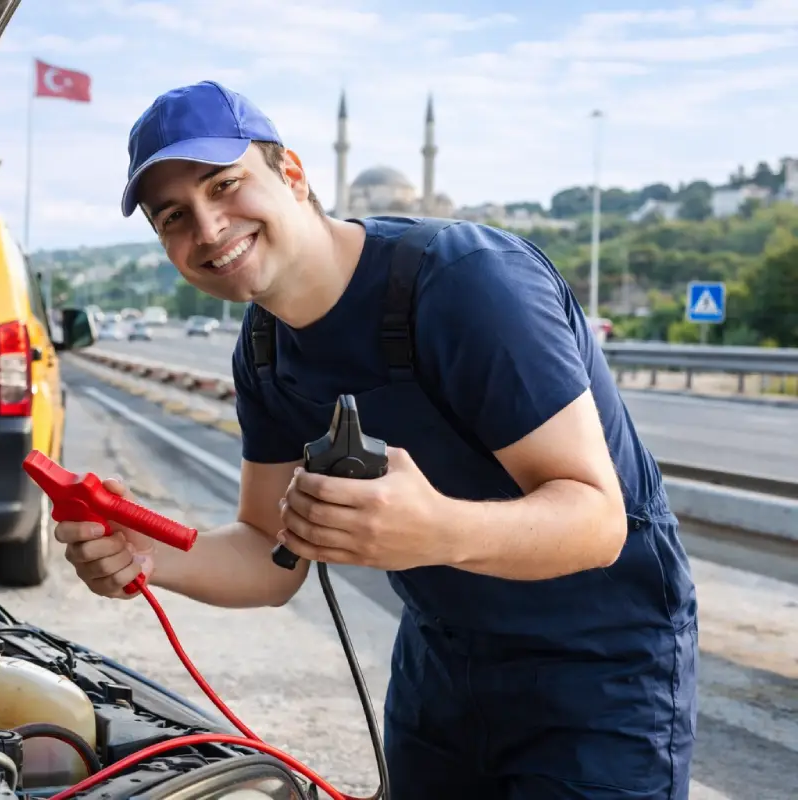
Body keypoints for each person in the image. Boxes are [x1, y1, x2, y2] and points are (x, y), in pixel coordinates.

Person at [56, 80, 698, 799]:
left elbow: (597, 521)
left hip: (598, 672)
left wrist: (436, 528)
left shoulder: (467, 283)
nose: (207, 229)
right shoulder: (265, 347)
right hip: (442, 662)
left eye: (225, 184)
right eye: (174, 217)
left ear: (293, 174)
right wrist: (151, 554)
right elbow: (270, 559)